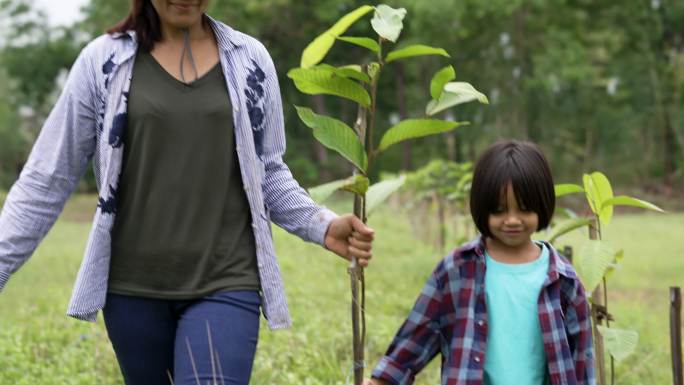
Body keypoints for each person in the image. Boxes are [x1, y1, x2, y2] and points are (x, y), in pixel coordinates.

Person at [0, 1, 375, 384]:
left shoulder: (249, 60)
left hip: (226, 280)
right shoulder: (103, 62)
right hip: (132, 290)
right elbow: (46, 178)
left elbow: (267, 173)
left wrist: (322, 226)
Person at [364, 140, 595, 385]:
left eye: (525, 209)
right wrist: (385, 379)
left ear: (543, 205)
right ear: (482, 207)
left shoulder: (564, 280)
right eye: (499, 210)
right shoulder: (456, 270)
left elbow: (581, 357)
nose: (512, 220)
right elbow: (420, 330)